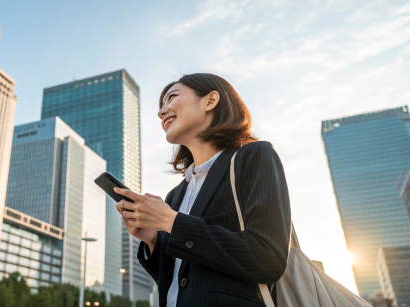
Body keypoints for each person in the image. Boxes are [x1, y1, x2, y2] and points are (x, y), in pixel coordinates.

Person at [114, 73, 291, 306]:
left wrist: (173, 222)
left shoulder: (254, 156)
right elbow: (183, 280)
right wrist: (154, 241)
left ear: (210, 100)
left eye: (172, 98)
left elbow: (268, 258)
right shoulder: (176, 194)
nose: (161, 112)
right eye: (161, 106)